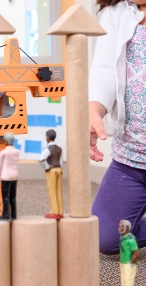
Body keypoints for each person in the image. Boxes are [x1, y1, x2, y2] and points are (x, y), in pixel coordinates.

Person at [89, 0, 146, 255]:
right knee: (104, 237)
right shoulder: (115, 13)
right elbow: (105, 71)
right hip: (131, 158)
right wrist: (94, 110)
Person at [39, 129, 63, 220]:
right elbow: (61, 161)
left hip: (52, 170)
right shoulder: (59, 149)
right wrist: (60, 169)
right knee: (58, 191)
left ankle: (54, 211)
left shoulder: (48, 149)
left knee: (52, 191)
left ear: (47, 137)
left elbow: (41, 159)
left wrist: (47, 167)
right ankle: (60, 211)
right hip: (59, 170)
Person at [0, 132, 19, 220]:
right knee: (13, 196)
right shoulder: (17, 152)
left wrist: (0, 173)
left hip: (6, 176)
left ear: (5, 141)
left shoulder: (3, 152)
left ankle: (6, 214)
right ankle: (14, 214)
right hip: (15, 175)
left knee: (5, 196)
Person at [119, 220, 139, 286]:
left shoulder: (131, 239)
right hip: (122, 262)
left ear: (127, 227)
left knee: (128, 281)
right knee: (123, 280)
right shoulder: (122, 238)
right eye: (119, 226)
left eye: (122, 226)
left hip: (129, 263)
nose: (120, 228)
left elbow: (136, 254)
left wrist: (131, 264)